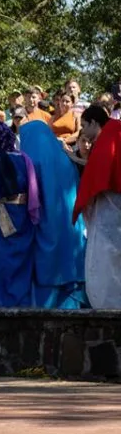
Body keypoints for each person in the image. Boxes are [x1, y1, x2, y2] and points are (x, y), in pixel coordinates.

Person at [19, 121, 88, 309]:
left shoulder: (30, 160)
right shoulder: (66, 157)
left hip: (45, 223)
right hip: (71, 225)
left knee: (47, 266)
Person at [0, 121, 40, 307]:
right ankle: (21, 301)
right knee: (21, 261)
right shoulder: (24, 158)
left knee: (0, 261)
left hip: (3, 216)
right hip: (24, 216)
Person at [74, 106, 121, 308]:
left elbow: (98, 180)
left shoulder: (106, 140)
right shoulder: (114, 131)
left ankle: (108, 305)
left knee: (106, 258)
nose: (84, 132)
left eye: (85, 126)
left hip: (111, 210)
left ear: (94, 123)